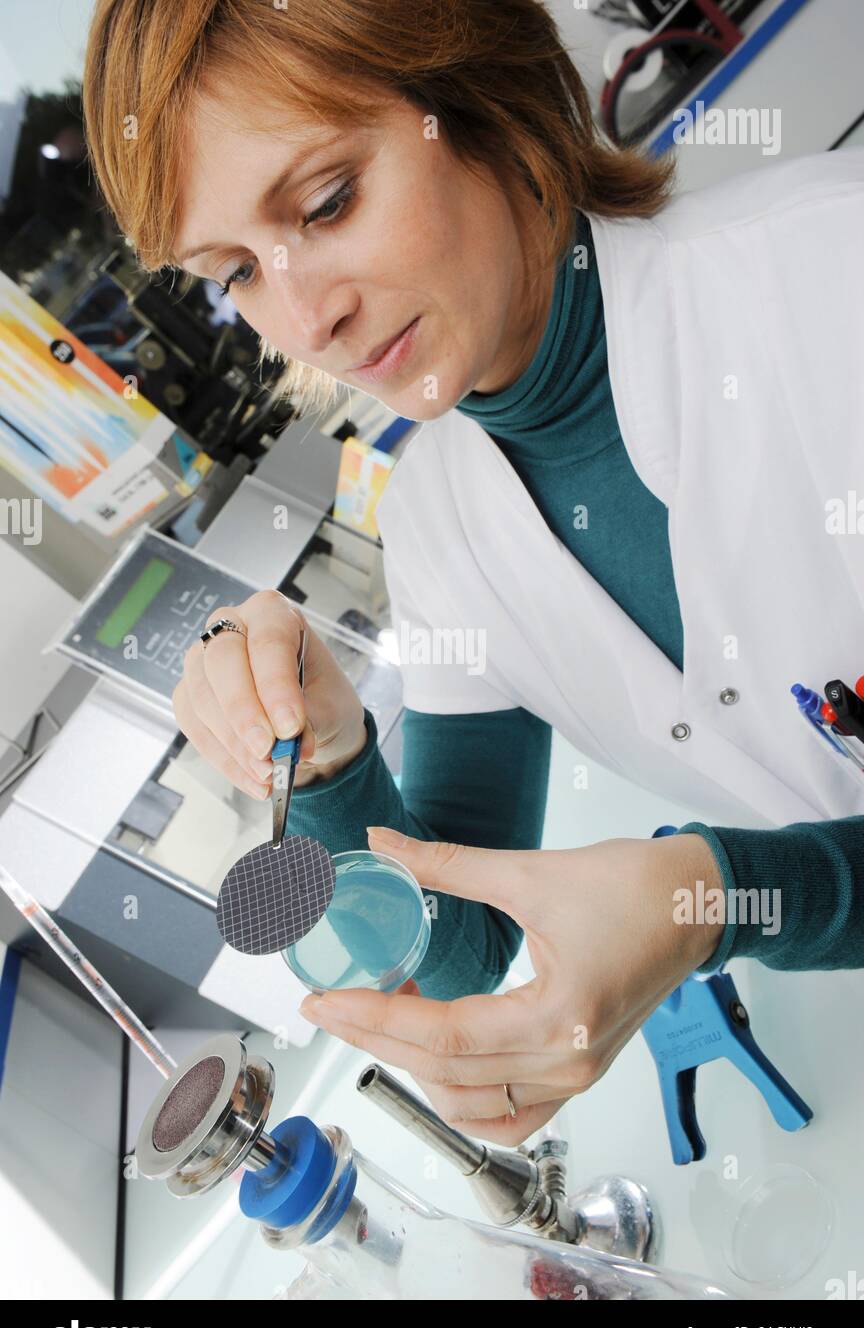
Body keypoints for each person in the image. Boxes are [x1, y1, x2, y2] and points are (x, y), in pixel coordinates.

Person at [83, 0, 864, 1144]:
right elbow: (455, 946)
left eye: (328, 201)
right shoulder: (442, 526)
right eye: (239, 269)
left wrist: (719, 898)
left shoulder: (826, 277)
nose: (310, 318)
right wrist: (337, 757)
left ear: (476, 91)